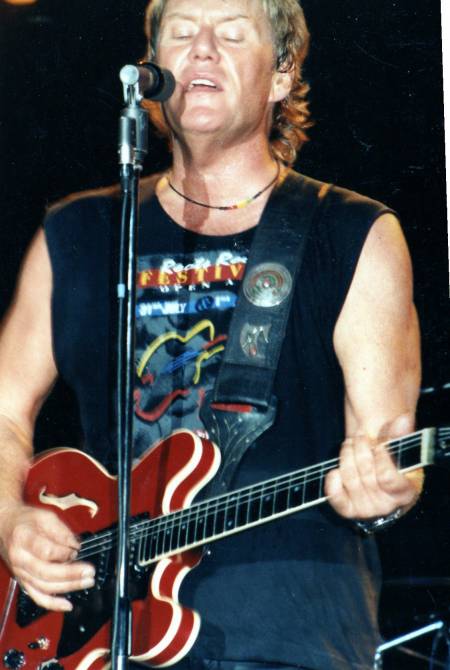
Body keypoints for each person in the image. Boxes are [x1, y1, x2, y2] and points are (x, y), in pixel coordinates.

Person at [0, 0, 423, 668]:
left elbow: (386, 444)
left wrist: (382, 494)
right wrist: (9, 518)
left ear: (281, 74)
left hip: (284, 638)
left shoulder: (352, 232)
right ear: (151, 69)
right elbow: (4, 412)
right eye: (180, 32)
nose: (201, 48)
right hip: (95, 635)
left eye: (230, 33)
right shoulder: (77, 233)